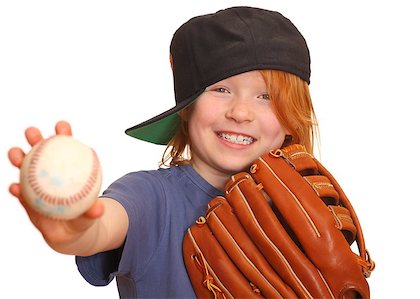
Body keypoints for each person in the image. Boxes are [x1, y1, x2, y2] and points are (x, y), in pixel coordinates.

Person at [8, 6, 318, 298]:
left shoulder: (309, 210)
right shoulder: (152, 196)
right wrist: (76, 229)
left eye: (265, 96)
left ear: (292, 118)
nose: (240, 112)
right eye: (221, 89)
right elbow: (106, 225)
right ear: (187, 108)